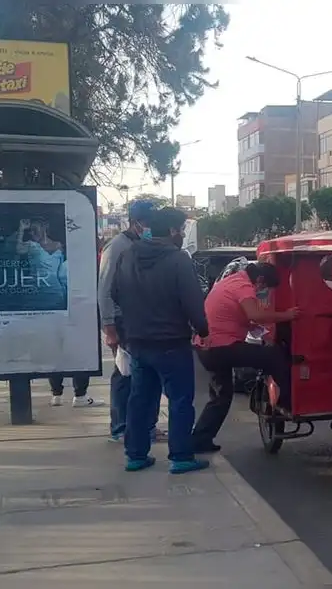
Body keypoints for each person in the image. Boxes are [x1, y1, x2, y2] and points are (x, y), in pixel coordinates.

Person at [111, 207, 210, 474]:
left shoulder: (127, 255)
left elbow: (114, 293)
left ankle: (136, 455)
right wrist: (203, 330)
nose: (181, 234)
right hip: (171, 342)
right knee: (179, 400)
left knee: (139, 399)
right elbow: (193, 302)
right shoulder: (178, 259)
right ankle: (180, 457)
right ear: (172, 231)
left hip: (138, 341)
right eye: (181, 229)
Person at [192, 262, 299, 453]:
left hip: (207, 349)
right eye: (265, 287)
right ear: (260, 280)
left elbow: (235, 315)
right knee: (273, 356)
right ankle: (287, 401)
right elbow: (255, 314)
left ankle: (200, 439)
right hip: (221, 348)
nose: (263, 291)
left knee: (221, 397)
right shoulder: (244, 286)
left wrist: (252, 327)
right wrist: (287, 315)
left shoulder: (230, 281)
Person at [100, 200, 166, 443]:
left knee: (145, 377)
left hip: (142, 321)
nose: (149, 227)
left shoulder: (142, 245)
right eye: (146, 222)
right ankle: (120, 427)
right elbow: (105, 289)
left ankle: (146, 427)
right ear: (136, 222)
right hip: (121, 321)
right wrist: (109, 327)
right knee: (124, 375)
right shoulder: (117, 247)